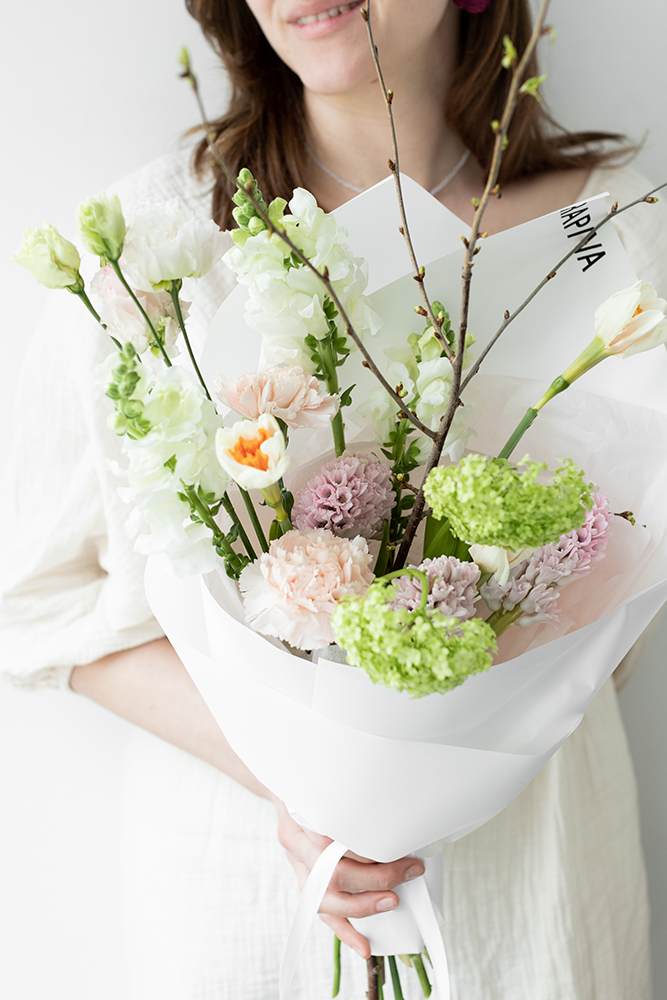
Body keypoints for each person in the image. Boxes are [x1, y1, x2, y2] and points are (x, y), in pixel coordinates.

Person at [2, 0, 666, 997]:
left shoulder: (618, 231)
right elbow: (36, 596)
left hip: (539, 873)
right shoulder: (154, 249)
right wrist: (304, 775)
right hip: (251, 879)